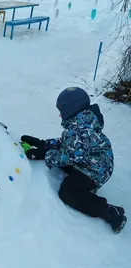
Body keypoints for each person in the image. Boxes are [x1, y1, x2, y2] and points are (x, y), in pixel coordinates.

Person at [21, 87, 127, 233]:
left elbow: (68, 156)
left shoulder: (82, 130)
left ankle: (110, 212)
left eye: (62, 110)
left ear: (71, 109)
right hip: (86, 160)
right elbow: (67, 144)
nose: (59, 115)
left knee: (69, 192)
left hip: (96, 170)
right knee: (60, 156)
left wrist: (44, 154)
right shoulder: (80, 122)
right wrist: (43, 143)